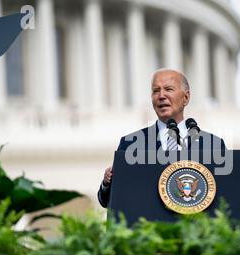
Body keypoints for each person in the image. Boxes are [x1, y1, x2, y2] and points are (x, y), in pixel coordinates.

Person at [97, 68, 226, 208]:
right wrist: (107, 183)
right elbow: (107, 200)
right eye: (156, 91)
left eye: (169, 89)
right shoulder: (131, 143)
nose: (161, 96)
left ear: (186, 97)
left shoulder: (213, 144)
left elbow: (226, 193)